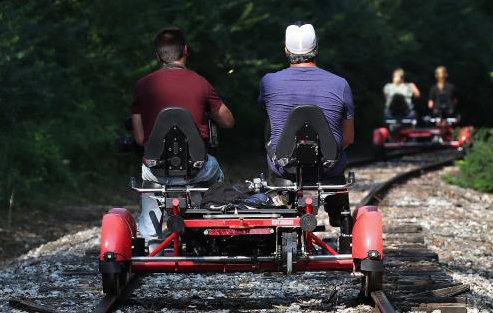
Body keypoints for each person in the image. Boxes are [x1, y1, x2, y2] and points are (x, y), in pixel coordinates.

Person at [131, 26, 235, 243]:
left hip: (156, 169)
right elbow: (228, 121)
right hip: (196, 169)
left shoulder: (142, 86)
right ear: (185, 51)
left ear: (157, 55)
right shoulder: (201, 83)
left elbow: (140, 139)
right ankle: (212, 226)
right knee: (215, 171)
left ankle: (151, 241)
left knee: (148, 179)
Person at [258, 22, 354, 247]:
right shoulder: (340, 84)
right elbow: (348, 138)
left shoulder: (269, 82)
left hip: (284, 166)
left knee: (270, 129)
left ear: (286, 51)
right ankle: (339, 212)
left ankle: (280, 200)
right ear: (316, 49)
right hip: (328, 167)